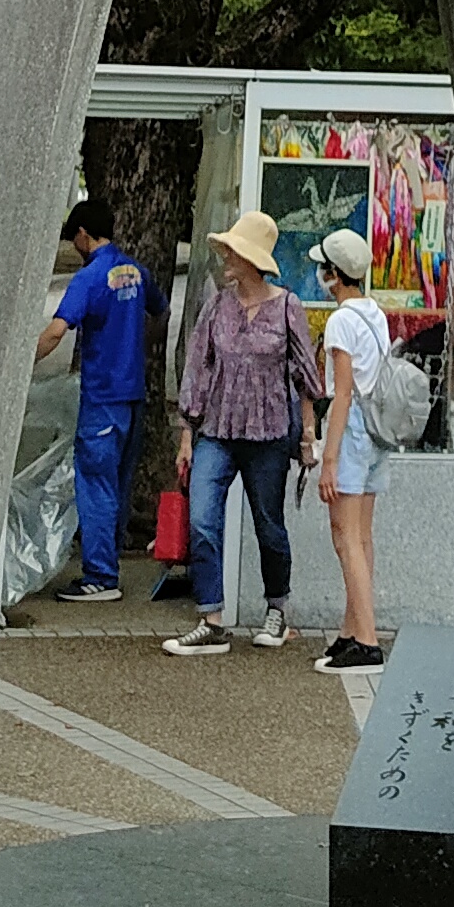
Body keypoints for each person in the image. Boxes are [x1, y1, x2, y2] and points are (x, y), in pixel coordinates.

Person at [164, 205, 322, 658]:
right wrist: (186, 434)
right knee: (202, 518)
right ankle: (211, 618)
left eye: (233, 252)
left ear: (252, 259)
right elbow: (198, 369)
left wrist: (307, 436)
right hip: (216, 428)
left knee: (269, 523)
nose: (226, 260)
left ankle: (277, 607)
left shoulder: (288, 306)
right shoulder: (217, 306)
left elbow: (305, 376)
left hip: (269, 432)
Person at [32, 195, 162, 602]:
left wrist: (19, 365)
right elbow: (161, 310)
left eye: (75, 239)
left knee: (96, 485)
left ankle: (101, 577)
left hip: (103, 396)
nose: (75, 246)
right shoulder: (135, 271)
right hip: (133, 395)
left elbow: (56, 331)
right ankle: (109, 560)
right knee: (118, 485)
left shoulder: (89, 278)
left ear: (84, 234)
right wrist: (133, 345)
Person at [310, 224, 390, 673]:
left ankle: (367, 641)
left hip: (353, 428)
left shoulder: (341, 320)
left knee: (345, 539)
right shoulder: (374, 313)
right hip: (376, 429)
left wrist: (329, 459)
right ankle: (351, 631)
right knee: (361, 537)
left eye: (324, 268)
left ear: (335, 275)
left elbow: (340, 394)